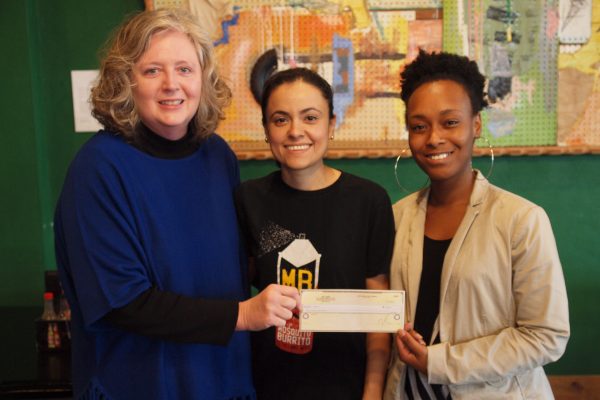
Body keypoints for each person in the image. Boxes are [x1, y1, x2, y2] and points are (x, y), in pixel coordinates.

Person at [54, 9, 300, 400]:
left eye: (185, 69)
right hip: (141, 382)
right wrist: (244, 315)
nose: (172, 84)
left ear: (203, 77)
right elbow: (123, 301)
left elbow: (229, 268)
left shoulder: (218, 156)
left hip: (222, 378)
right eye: (153, 71)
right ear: (126, 80)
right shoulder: (98, 168)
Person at [384, 50, 570, 399]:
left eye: (450, 122)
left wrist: (438, 361)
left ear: (476, 125)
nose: (434, 138)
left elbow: (546, 336)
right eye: (419, 126)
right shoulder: (396, 218)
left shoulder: (522, 220)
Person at [234, 67, 395, 399]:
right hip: (268, 386)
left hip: (347, 386)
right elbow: (236, 294)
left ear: (331, 125)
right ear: (266, 129)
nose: (296, 131)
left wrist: (373, 390)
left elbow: (378, 309)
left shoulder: (368, 201)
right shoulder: (247, 199)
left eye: (310, 118)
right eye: (280, 120)